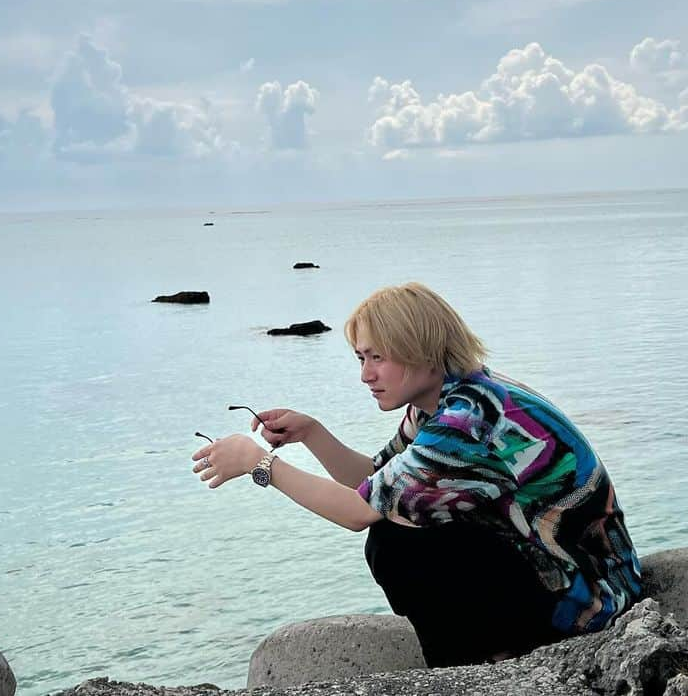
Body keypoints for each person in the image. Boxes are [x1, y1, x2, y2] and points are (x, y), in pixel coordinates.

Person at [191, 282, 641, 667]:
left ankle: (471, 672)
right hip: (561, 571)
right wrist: (311, 433)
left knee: (395, 544)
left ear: (421, 348)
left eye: (378, 357)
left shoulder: (467, 420)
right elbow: (377, 478)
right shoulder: (447, 398)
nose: (366, 375)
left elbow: (357, 512)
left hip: (588, 601)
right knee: (398, 527)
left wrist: (260, 463)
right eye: (360, 358)